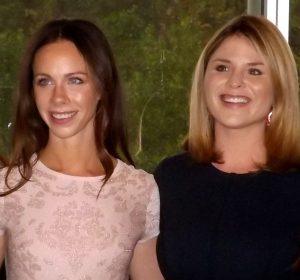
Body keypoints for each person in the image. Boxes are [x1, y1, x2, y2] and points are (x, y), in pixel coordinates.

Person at [0, 19, 163, 280]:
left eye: (75, 80)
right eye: (45, 81)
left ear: (102, 87)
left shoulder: (140, 190)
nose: (58, 98)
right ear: (32, 91)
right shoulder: (8, 187)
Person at [155, 15, 300, 280]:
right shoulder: (170, 178)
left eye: (254, 71)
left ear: (279, 89)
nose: (235, 81)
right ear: (203, 80)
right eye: (222, 67)